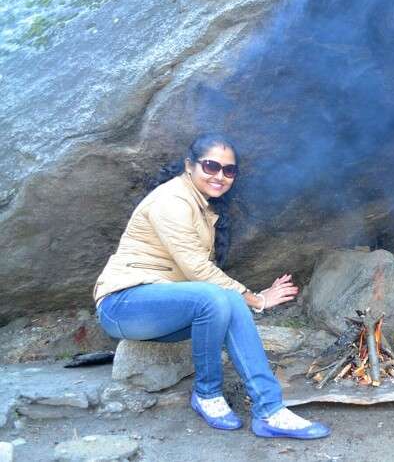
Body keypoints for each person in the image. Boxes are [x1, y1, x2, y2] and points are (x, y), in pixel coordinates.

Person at [93, 133, 330, 439]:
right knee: (219, 297)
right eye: (211, 166)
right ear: (189, 165)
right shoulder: (172, 200)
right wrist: (257, 299)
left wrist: (244, 299)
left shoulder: (201, 205)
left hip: (163, 310)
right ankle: (207, 393)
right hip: (123, 304)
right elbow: (196, 268)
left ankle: (270, 410)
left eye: (228, 170)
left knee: (227, 302)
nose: (220, 176)